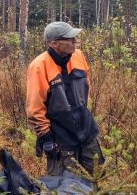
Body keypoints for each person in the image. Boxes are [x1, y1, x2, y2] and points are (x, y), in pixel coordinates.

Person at [26, 21, 103, 176]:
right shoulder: (39, 66)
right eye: (70, 39)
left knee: (95, 178)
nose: (75, 41)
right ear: (54, 43)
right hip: (61, 137)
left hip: (87, 131)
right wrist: (46, 136)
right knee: (67, 187)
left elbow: (87, 85)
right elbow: (35, 108)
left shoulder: (79, 56)